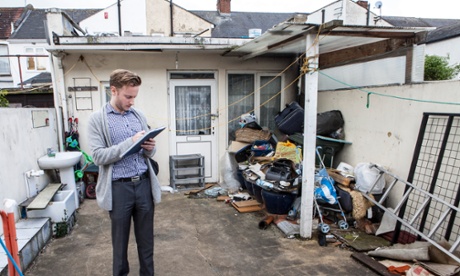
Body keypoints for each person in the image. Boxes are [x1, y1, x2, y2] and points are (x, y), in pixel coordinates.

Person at [88, 69, 161, 276]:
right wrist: (129, 143)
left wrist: (149, 146)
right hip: (119, 188)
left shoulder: (139, 115)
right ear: (113, 90)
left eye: (135, 97)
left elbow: (150, 152)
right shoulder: (97, 119)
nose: (132, 102)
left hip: (144, 184)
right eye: (128, 96)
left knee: (147, 244)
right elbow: (98, 156)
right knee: (119, 247)